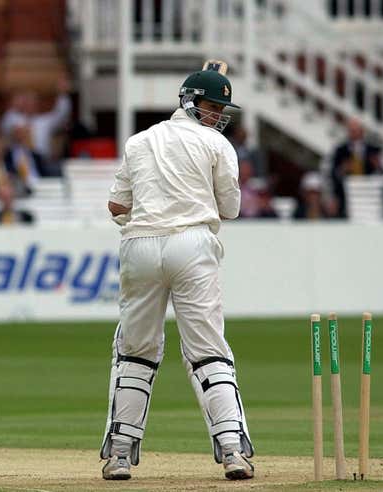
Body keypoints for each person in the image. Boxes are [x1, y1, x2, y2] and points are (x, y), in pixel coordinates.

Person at [100, 65, 254, 482]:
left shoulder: (139, 140)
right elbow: (231, 209)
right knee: (207, 349)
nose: (218, 114)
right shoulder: (217, 144)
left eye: (221, 107)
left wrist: (154, 205)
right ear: (190, 102)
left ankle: (119, 453)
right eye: (211, 105)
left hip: (140, 246)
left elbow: (116, 207)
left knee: (135, 350)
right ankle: (232, 450)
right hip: (192, 244)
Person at [330, 117, 383, 218]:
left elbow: (382, 173)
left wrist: (378, 166)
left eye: (356, 130)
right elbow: (333, 174)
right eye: (351, 130)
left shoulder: (374, 150)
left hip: (369, 190)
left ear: (362, 132)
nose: (354, 133)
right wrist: (342, 169)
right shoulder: (340, 150)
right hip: (346, 192)